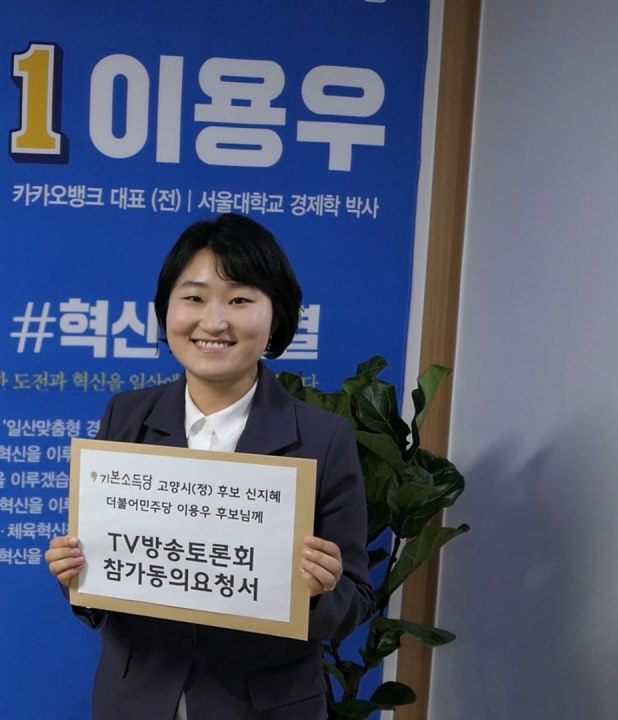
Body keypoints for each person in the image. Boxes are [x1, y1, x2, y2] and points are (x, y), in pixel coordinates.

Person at [46, 214, 375, 719]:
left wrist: (316, 592)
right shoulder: (125, 416)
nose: (214, 321)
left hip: (263, 707)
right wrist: (77, 575)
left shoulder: (322, 439)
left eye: (240, 300)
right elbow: (108, 575)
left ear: (275, 317)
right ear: (167, 309)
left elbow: (354, 600)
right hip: (136, 700)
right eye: (194, 298)